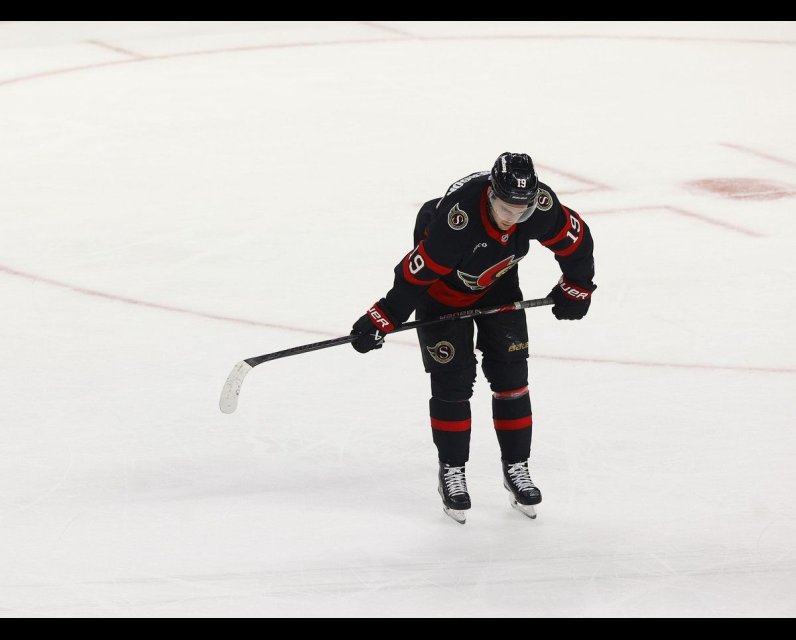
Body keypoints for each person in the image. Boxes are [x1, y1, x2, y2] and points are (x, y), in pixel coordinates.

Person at [350, 152, 596, 523]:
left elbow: (576, 242)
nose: (513, 218)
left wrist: (578, 286)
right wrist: (383, 316)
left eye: (522, 212)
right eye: (505, 209)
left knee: (512, 377)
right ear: (491, 196)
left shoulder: (541, 206)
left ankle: (517, 467)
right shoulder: (457, 222)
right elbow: (416, 276)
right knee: (454, 382)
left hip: (499, 287)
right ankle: (452, 472)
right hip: (440, 297)